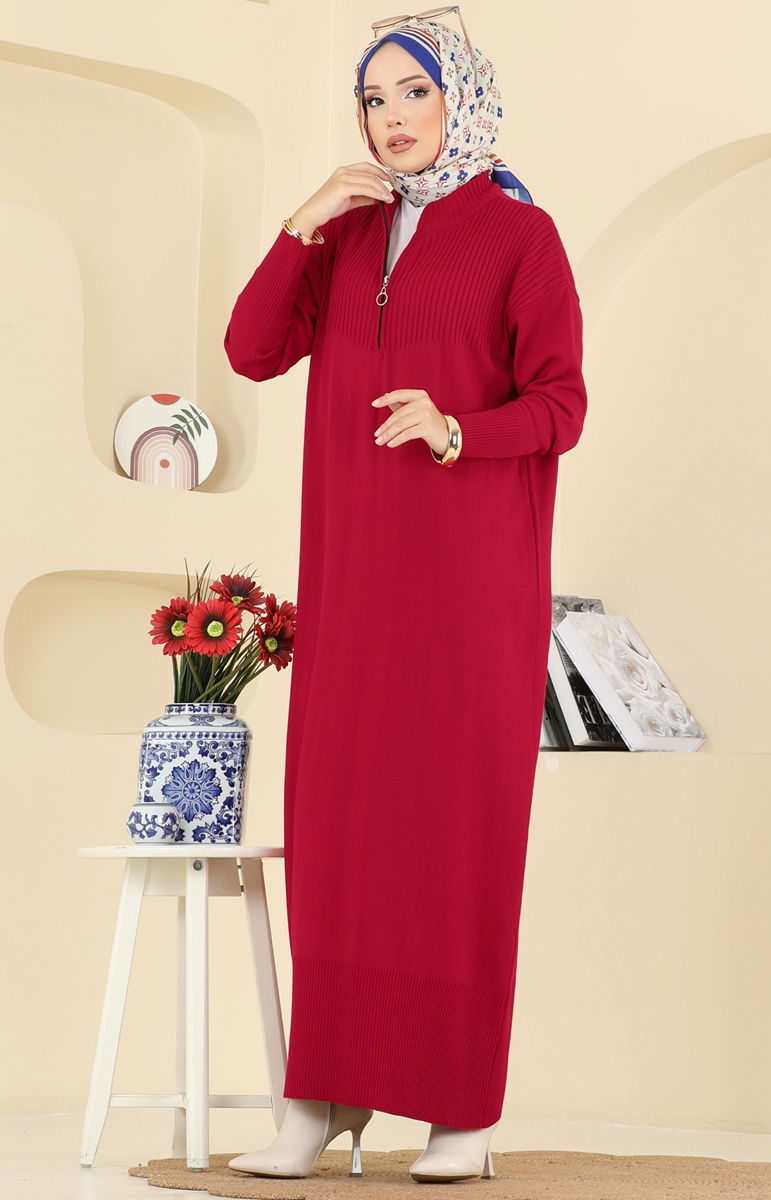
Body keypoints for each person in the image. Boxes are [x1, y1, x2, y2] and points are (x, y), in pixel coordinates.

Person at [223, 9, 587, 1185]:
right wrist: (299, 225)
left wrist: (454, 429)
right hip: (352, 588)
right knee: (338, 835)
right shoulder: (343, 234)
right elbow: (249, 351)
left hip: (469, 591)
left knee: (451, 839)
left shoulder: (520, 235)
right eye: (371, 98)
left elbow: (560, 404)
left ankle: (456, 1114)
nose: (389, 117)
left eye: (411, 92)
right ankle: (321, 1100)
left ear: (458, 96)